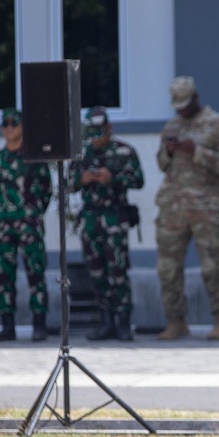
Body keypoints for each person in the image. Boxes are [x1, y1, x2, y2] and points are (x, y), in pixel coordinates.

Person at [155, 76, 219, 341]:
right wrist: (169, 151)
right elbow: (161, 164)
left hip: (207, 208)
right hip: (173, 207)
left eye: (185, 104)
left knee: (212, 267)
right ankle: (176, 321)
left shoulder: (218, 125)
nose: (181, 110)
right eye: (177, 106)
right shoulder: (172, 125)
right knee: (167, 268)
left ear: (195, 97)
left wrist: (196, 151)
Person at [67, 107, 145, 341]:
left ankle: (123, 322)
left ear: (109, 128)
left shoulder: (124, 151)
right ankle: (106, 321)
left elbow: (139, 180)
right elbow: (69, 184)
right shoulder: (80, 153)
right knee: (97, 272)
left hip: (115, 217)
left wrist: (113, 178)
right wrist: (82, 179)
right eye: (92, 133)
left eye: (100, 132)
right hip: (91, 219)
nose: (96, 138)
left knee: (118, 270)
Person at [0, 107, 53, 342]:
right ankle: (7, 326)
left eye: (14, 123)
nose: (9, 128)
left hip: (30, 225)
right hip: (4, 226)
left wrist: (32, 213)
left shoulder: (34, 158)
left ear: (23, 127)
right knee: (4, 277)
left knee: (36, 274)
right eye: (5, 124)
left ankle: (39, 325)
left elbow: (46, 191)